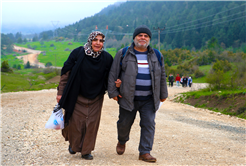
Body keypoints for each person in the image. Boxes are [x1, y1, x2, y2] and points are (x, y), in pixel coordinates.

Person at [107, 25, 168, 163]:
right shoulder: (123, 53)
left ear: (149, 39)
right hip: (127, 97)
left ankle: (145, 152)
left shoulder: (156, 55)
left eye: (146, 36)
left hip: (149, 99)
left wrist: (163, 93)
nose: (143, 38)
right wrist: (113, 92)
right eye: (140, 35)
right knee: (124, 123)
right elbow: (113, 74)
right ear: (134, 38)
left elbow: (162, 75)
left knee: (149, 124)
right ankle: (122, 141)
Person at [56, 31, 113, 160]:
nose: (98, 43)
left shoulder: (107, 58)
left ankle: (86, 150)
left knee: (92, 123)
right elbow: (65, 73)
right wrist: (60, 92)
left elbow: (112, 76)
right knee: (75, 123)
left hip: (96, 96)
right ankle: (74, 145)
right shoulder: (78, 53)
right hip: (76, 94)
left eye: (101, 41)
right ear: (90, 40)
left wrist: (117, 88)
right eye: (95, 40)